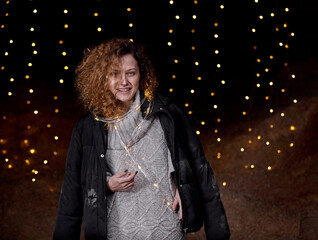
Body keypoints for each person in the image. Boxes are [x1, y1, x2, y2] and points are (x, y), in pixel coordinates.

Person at [53, 38, 230, 240]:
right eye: (114, 74)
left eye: (131, 73)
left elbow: (199, 169)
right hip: (115, 232)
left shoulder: (167, 114)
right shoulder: (87, 128)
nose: (124, 82)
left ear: (141, 75)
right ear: (101, 78)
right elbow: (72, 191)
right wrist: (107, 184)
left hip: (166, 228)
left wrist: (183, 186)